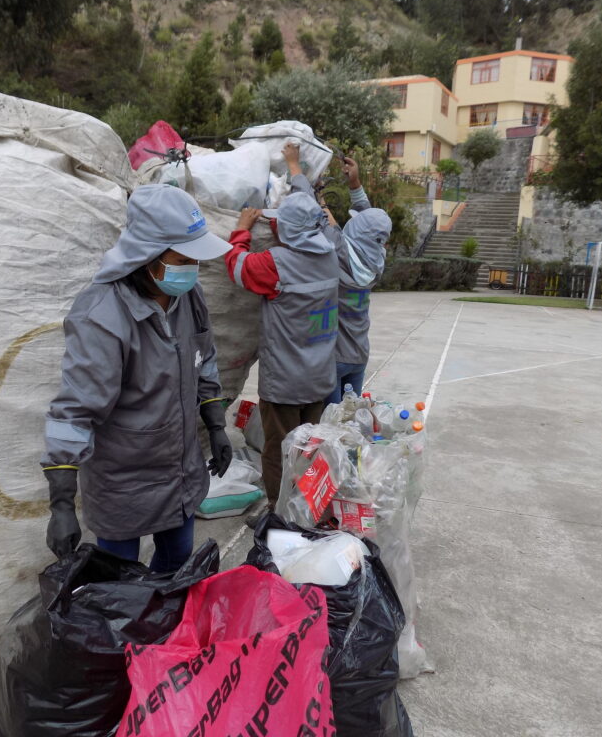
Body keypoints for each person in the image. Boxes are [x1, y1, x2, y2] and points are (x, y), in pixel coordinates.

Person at [41, 184, 234, 571]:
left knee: (178, 563)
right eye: (184, 258)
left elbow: (205, 359)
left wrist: (216, 425)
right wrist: (62, 505)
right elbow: (75, 411)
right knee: (121, 581)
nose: (193, 269)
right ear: (149, 255)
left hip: (180, 472)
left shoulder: (189, 298)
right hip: (123, 483)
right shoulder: (102, 316)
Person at [224, 143, 339, 519]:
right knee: (310, 447)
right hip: (319, 377)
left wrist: (241, 230)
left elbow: (238, 266)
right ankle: (311, 505)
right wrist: (294, 169)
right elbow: (309, 215)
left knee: (279, 448)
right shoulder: (330, 253)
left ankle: (281, 511)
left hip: (286, 383)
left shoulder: (276, 264)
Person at [323, 157, 393, 403]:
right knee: (349, 424)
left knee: (330, 427)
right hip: (358, 356)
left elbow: (321, 213)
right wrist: (355, 184)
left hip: (335, 358)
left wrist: (305, 176)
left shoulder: (340, 252)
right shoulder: (376, 261)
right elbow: (370, 225)